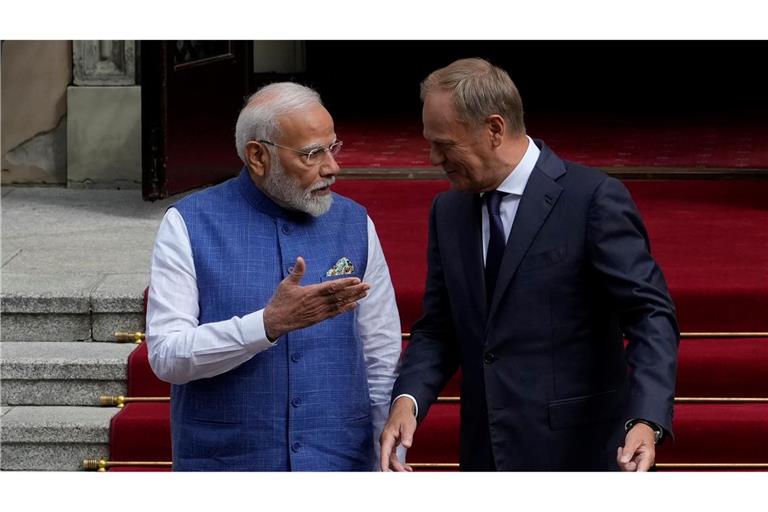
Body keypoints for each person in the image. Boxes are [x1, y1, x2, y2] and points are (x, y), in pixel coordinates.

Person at [379, 58, 679, 471]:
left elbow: (650, 314)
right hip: (487, 456)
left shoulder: (591, 198)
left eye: (445, 144)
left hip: (577, 455)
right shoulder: (447, 211)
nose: (433, 158)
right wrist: (407, 400)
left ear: (495, 129)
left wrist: (646, 418)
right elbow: (439, 325)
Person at [146, 82, 402, 471]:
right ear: (258, 156)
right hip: (227, 464)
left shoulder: (355, 222)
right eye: (312, 154)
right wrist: (264, 326)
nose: (332, 167)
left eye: (332, 148)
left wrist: (389, 453)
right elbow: (167, 355)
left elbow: (380, 352)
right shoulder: (188, 223)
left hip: (338, 462)